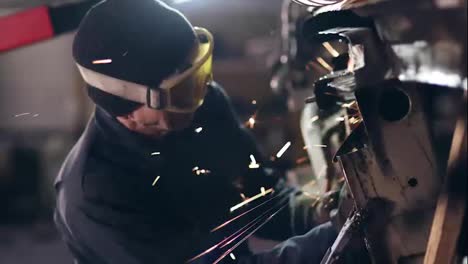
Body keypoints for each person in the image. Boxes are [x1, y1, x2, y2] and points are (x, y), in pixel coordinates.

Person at [54, 0, 337, 263]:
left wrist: (319, 211)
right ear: (126, 109)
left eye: (198, 75)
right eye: (183, 90)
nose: (200, 95)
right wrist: (330, 242)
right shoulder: (96, 195)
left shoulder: (204, 105)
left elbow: (259, 197)